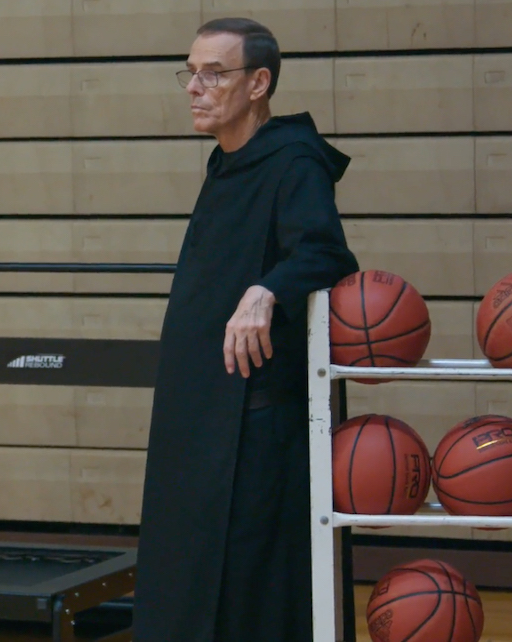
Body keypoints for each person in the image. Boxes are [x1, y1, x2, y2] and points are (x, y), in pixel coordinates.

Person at [132, 17, 360, 642]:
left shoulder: (294, 162)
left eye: (214, 73)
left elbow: (326, 255)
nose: (194, 87)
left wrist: (267, 290)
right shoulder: (226, 162)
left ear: (259, 83)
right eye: (191, 71)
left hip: (252, 429)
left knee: (248, 600)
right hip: (201, 417)